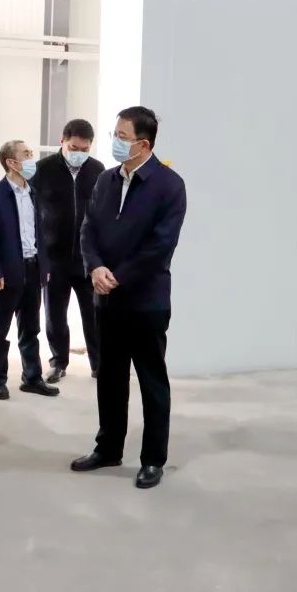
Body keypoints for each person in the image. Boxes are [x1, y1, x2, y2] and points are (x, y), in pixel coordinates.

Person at [70, 107, 187, 490]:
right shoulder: (106, 180)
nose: (115, 142)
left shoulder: (169, 186)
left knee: (152, 381)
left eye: (122, 137)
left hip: (146, 301)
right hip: (107, 300)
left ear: (144, 144)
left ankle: (152, 459)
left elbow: (160, 246)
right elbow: (88, 229)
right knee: (110, 378)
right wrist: (94, 267)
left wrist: (117, 277)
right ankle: (108, 448)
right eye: (115, 135)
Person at [0, 140, 59, 401]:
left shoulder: (34, 193)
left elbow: (40, 234)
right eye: (27, 154)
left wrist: (44, 266)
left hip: (33, 269)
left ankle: (32, 378)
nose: (32, 158)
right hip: (7, 272)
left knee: (30, 328)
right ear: (11, 162)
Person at [30, 119, 105, 383]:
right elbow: (31, 211)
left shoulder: (97, 170)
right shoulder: (42, 169)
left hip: (87, 259)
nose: (79, 153)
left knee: (94, 314)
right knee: (55, 315)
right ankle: (58, 362)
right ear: (62, 141)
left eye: (85, 149)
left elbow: (102, 214)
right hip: (54, 258)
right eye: (74, 148)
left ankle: (99, 364)